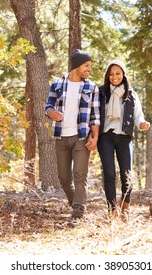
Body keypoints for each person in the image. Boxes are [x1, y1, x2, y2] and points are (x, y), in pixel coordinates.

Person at [45, 49, 100, 224]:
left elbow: (95, 116)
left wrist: (95, 137)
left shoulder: (91, 87)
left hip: (81, 136)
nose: (89, 69)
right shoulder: (57, 84)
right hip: (61, 136)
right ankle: (75, 202)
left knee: (80, 174)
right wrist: (51, 112)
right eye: (86, 65)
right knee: (63, 177)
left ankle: (78, 211)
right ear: (76, 66)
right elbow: (48, 106)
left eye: (90, 66)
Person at [95, 59, 150, 221]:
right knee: (110, 174)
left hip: (124, 136)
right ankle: (112, 210)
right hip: (106, 136)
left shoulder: (131, 94)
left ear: (123, 74)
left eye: (118, 73)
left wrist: (142, 124)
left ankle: (125, 206)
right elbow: (94, 114)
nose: (114, 77)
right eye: (111, 74)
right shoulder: (101, 92)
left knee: (127, 175)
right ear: (107, 76)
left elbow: (138, 115)